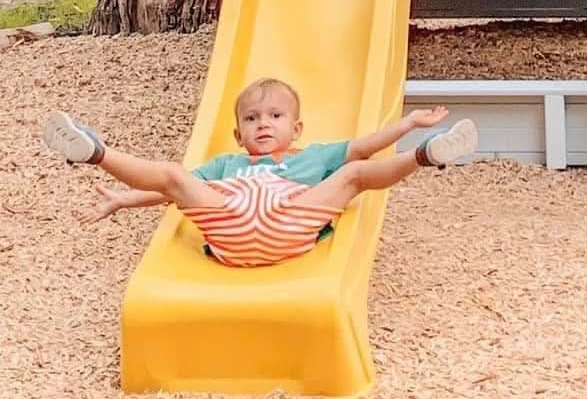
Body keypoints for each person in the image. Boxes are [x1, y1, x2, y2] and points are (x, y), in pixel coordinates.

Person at [43, 78, 478, 269]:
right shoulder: (226, 165)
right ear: (239, 134)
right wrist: (123, 201)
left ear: (296, 129)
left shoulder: (314, 158)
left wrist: (408, 124)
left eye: (275, 116)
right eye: (252, 119)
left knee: (356, 173)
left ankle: (425, 154)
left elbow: (364, 148)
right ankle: (95, 152)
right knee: (175, 174)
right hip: (230, 220)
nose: (263, 124)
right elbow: (173, 190)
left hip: (290, 218)